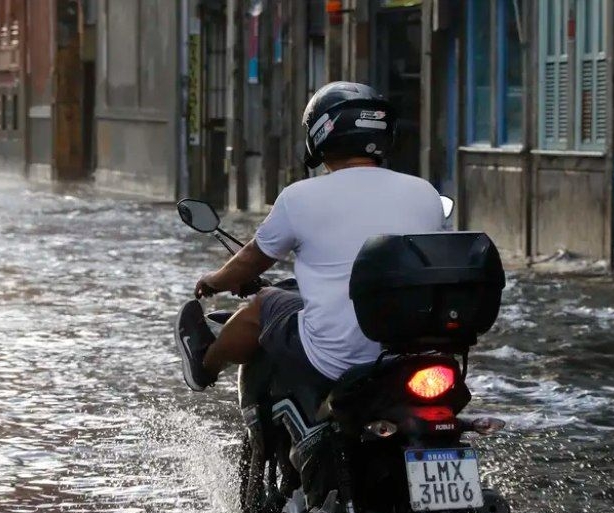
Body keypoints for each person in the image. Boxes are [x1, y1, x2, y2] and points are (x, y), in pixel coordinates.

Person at [176, 81, 445, 392]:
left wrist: (214, 281)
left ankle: (204, 366)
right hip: (411, 352)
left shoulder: (300, 197)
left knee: (264, 304)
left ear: (320, 134)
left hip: (335, 358)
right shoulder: (425, 193)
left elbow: (253, 259)